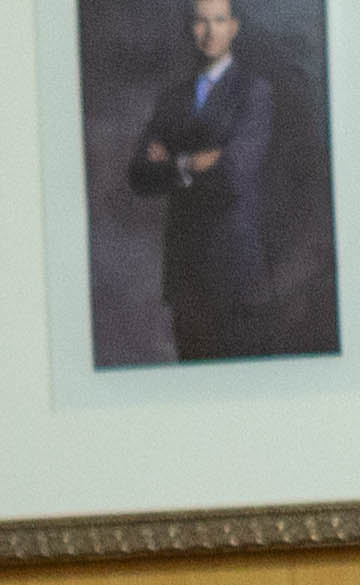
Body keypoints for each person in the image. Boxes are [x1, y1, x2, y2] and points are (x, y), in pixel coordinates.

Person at [125, 0, 297, 364]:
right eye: (201, 22)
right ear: (191, 29)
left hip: (233, 267)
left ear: (233, 27)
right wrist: (193, 162)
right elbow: (139, 175)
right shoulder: (173, 97)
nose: (209, 31)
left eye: (218, 20)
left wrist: (171, 163)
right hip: (184, 272)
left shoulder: (254, 91)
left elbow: (233, 175)